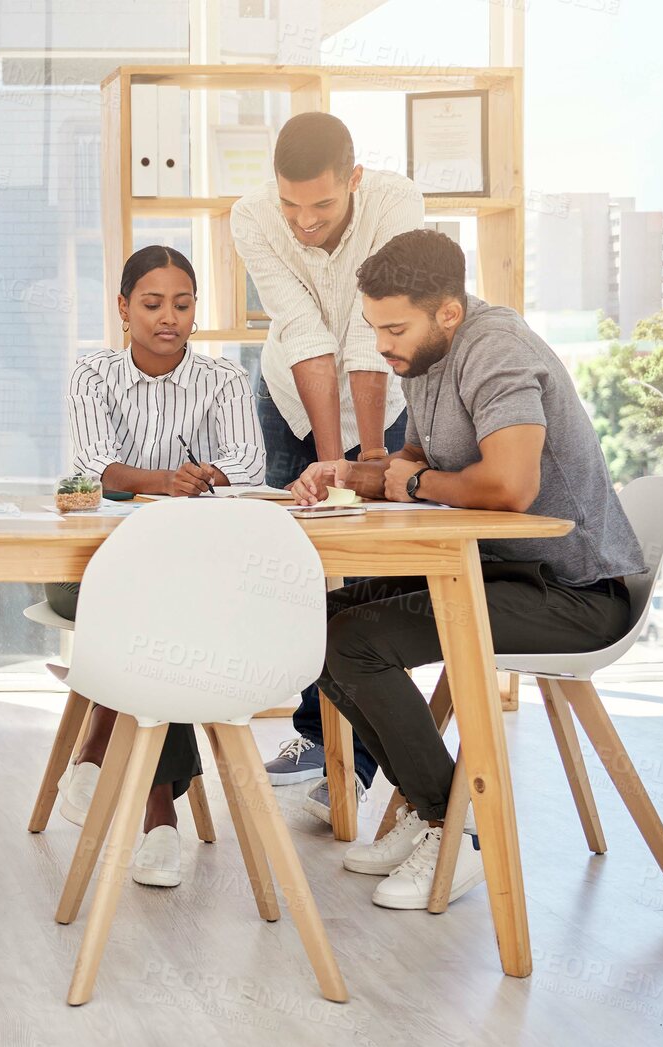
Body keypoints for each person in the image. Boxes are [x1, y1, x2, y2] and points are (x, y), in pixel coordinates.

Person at [295, 228, 644, 909]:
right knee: (324, 620)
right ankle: (435, 813)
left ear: (446, 312)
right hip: (503, 572)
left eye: (393, 327)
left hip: (574, 593)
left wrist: (412, 482)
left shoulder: (493, 348)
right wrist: (347, 474)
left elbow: (507, 484)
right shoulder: (425, 359)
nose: (381, 345)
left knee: (355, 642)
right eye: (373, 328)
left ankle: (459, 832)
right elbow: (414, 471)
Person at [49, 246, 266, 887]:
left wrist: (212, 476)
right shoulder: (93, 375)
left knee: (168, 608)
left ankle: (103, 755)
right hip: (92, 572)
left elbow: (249, 468)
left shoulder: (223, 380)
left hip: (193, 571)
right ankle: (158, 816)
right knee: (163, 612)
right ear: (123, 309)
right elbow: (95, 467)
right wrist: (164, 482)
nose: (168, 317)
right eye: (151, 304)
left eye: (182, 303)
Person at [230, 110, 423, 817]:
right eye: (290, 204)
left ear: (354, 180)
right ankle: (315, 735)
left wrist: (367, 462)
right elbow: (303, 328)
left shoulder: (395, 203)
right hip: (293, 394)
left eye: (320, 205)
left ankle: (365, 755)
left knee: (372, 572)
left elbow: (376, 330)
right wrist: (328, 465)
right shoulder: (251, 217)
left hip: (384, 395)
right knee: (300, 564)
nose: (303, 222)